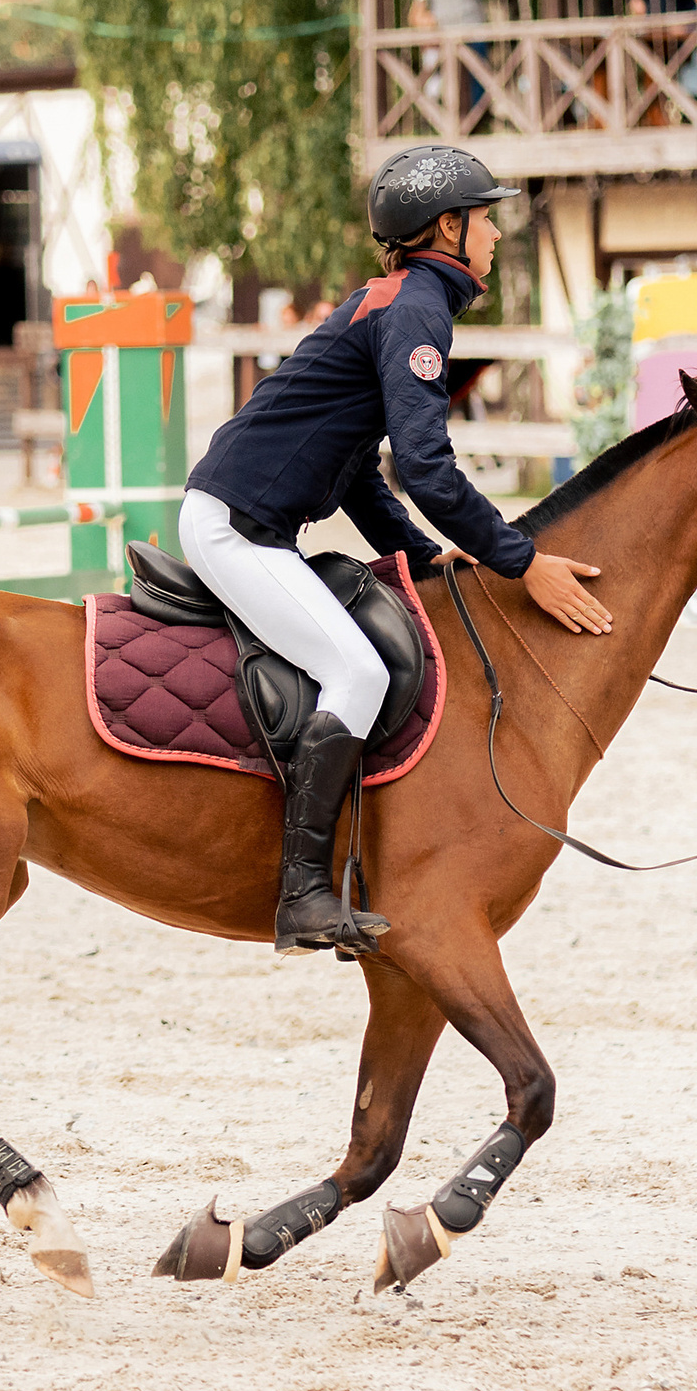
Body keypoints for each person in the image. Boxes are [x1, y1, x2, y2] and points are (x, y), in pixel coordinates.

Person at [180, 144, 609, 955]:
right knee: (359, 670)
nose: (494, 236)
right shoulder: (418, 309)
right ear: (447, 227)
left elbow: (356, 473)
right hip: (235, 527)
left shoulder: (401, 297)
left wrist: (418, 555)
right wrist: (519, 560)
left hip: (251, 520)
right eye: (485, 220)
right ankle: (304, 891)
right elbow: (426, 468)